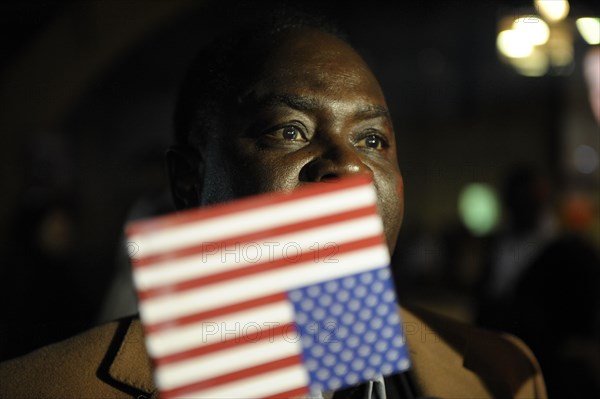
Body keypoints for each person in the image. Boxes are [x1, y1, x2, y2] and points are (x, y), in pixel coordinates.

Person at [0, 12, 547, 399]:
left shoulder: (501, 375)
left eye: (373, 140)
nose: (349, 165)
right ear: (190, 181)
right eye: (290, 130)